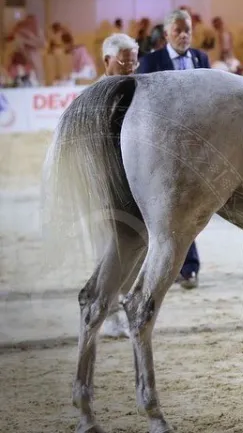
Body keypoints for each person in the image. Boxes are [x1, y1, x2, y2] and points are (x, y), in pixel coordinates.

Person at [138, 9, 210, 290]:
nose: (184, 35)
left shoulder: (201, 59)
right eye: (178, 30)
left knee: (188, 210)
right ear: (166, 33)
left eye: (188, 30)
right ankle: (167, 268)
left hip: (197, 148)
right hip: (160, 149)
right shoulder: (151, 61)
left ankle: (188, 268)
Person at [97, 33, 140, 338]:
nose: (129, 66)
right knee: (110, 250)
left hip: (136, 183)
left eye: (133, 59)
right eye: (123, 60)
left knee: (138, 247)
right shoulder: (96, 95)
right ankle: (107, 310)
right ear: (106, 61)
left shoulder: (140, 88)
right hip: (108, 182)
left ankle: (121, 304)